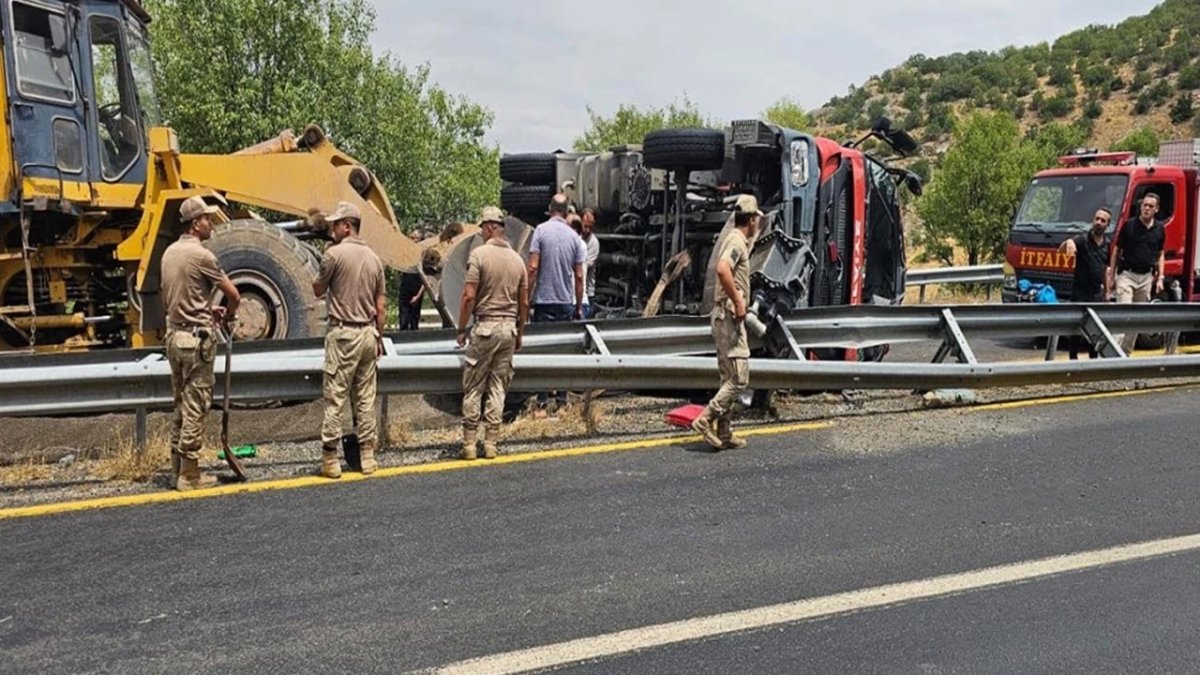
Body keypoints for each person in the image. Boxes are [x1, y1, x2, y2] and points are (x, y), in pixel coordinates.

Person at [160, 196, 241, 491]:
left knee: (180, 404)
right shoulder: (203, 256)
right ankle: (190, 475)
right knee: (197, 405)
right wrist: (228, 315)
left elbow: (173, 296)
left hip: (174, 337)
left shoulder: (169, 253)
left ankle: (175, 469)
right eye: (207, 218)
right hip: (196, 342)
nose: (211, 222)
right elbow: (234, 295)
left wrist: (206, 310)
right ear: (196, 224)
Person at [313, 201, 387, 478]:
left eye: (335, 224)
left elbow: (318, 289)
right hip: (368, 333)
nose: (331, 229)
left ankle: (330, 459)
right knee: (366, 398)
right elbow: (381, 305)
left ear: (347, 226)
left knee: (336, 397)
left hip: (343, 333)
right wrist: (379, 335)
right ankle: (367, 456)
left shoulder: (333, 255)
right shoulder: (374, 259)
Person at [457, 207, 528, 460]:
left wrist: (461, 328)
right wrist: (520, 333)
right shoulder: (518, 260)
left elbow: (468, 296)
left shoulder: (479, 255)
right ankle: (491, 444)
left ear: (489, 227)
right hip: (508, 328)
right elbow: (524, 303)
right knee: (498, 387)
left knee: (474, 386)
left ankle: (468, 444)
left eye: (481, 229)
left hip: (485, 326)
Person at [692, 195, 761, 450]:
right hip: (729, 317)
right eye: (756, 220)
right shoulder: (736, 241)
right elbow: (723, 269)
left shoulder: (736, 239)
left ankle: (724, 431)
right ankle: (705, 419)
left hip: (724, 316)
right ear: (751, 220)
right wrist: (739, 301)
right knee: (739, 378)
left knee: (727, 377)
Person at [527, 193, 585, 416]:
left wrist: (526, 296)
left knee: (542, 352)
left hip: (543, 301)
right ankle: (561, 402)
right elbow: (579, 276)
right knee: (564, 353)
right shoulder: (574, 238)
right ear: (567, 210)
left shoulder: (540, 231)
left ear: (550, 209)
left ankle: (541, 402)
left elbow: (532, 268)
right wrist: (578, 306)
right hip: (564, 302)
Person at [1107, 193, 1166, 354]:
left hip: (1146, 277)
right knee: (1124, 314)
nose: (1146, 209)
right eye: (1144, 205)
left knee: (1137, 318)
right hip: (1127, 275)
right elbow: (1116, 251)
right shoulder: (1129, 226)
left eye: (1150, 206)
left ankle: (1125, 354)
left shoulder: (1159, 229)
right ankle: (1112, 354)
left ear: (1156, 209)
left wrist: (1160, 277)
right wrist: (1111, 277)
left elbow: (1161, 253)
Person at [1058, 207, 1113, 359]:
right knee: (1076, 329)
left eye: (1103, 220)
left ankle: (1093, 361)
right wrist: (1068, 242)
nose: (1098, 222)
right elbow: (1062, 249)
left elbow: (1107, 269)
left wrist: (1108, 292)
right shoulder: (1082, 239)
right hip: (1079, 292)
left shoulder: (1107, 245)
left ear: (1107, 225)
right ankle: (1073, 360)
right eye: (1097, 219)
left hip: (1096, 294)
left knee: (1094, 330)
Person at [398, 229, 426, 330]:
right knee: (403, 321)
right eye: (411, 238)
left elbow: (426, 281)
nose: (413, 241)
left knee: (414, 323)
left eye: (415, 238)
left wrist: (417, 296)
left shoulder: (424, 257)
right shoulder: (406, 256)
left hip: (416, 293)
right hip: (405, 292)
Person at [568, 214, 592, 319]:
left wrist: (578, 307)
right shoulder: (582, 245)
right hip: (580, 302)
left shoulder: (575, 244)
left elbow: (579, 276)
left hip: (573, 303)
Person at [581, 208, 601, 313]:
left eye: (590, 227)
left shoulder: (594, 243)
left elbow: (586, 266)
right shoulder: (577, 237)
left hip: (588, 292)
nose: (587, 230)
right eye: (585, 226)